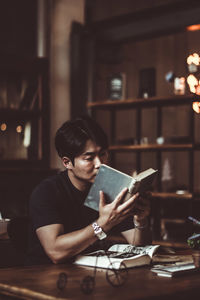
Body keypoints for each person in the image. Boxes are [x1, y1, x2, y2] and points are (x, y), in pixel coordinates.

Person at [26, 115, 151, 265]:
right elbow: (55, 252)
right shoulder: (46, 192)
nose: (100, 163)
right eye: (89, 158)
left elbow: (139, 247)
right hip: (46, 277)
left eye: (103, 154)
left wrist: (141, 221)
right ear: (67, 162)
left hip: (92, 272)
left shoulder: (111, 187)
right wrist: (102, 225)